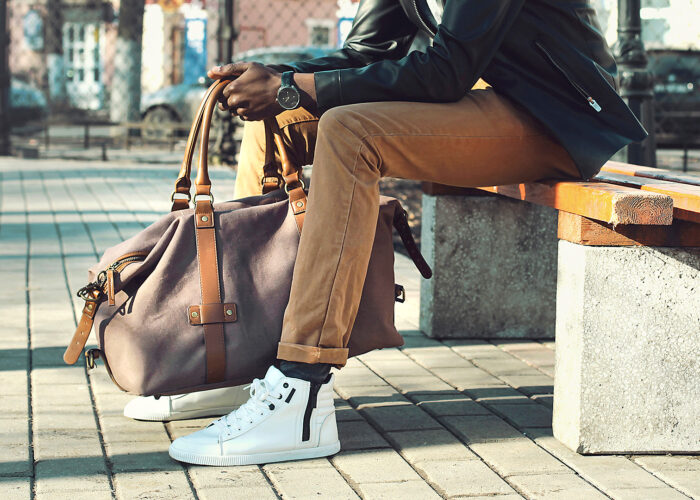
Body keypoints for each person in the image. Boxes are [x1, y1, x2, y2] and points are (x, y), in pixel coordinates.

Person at [162, 0, 647, 466]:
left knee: (351, 133)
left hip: (554, 115)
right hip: (478, 98)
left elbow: (446, 70)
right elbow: (365, 53)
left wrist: (290, 86)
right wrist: (275, 80)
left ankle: (301, 390)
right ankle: (253, 352)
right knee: (276, 121)